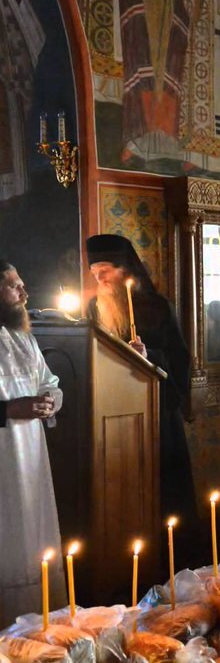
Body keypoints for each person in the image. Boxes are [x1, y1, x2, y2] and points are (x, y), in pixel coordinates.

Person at [86, 234, 196, 527]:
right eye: (95, 274)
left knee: (163, 494)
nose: (100, 279)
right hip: (111, 414)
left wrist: (149, 357)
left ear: (124, 270)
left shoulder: (157, 307)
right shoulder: (94, 308)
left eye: (105, 271)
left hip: (156, 415)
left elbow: (181, 360)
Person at [0, 261, 65, 622]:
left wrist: (49, 401)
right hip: (3, 457)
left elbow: (49, 382)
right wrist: (10, 408)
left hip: (30, 456)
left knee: (33, 535)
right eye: (14, 286)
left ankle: (39, 633)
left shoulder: (24, 337)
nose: (25, 293)